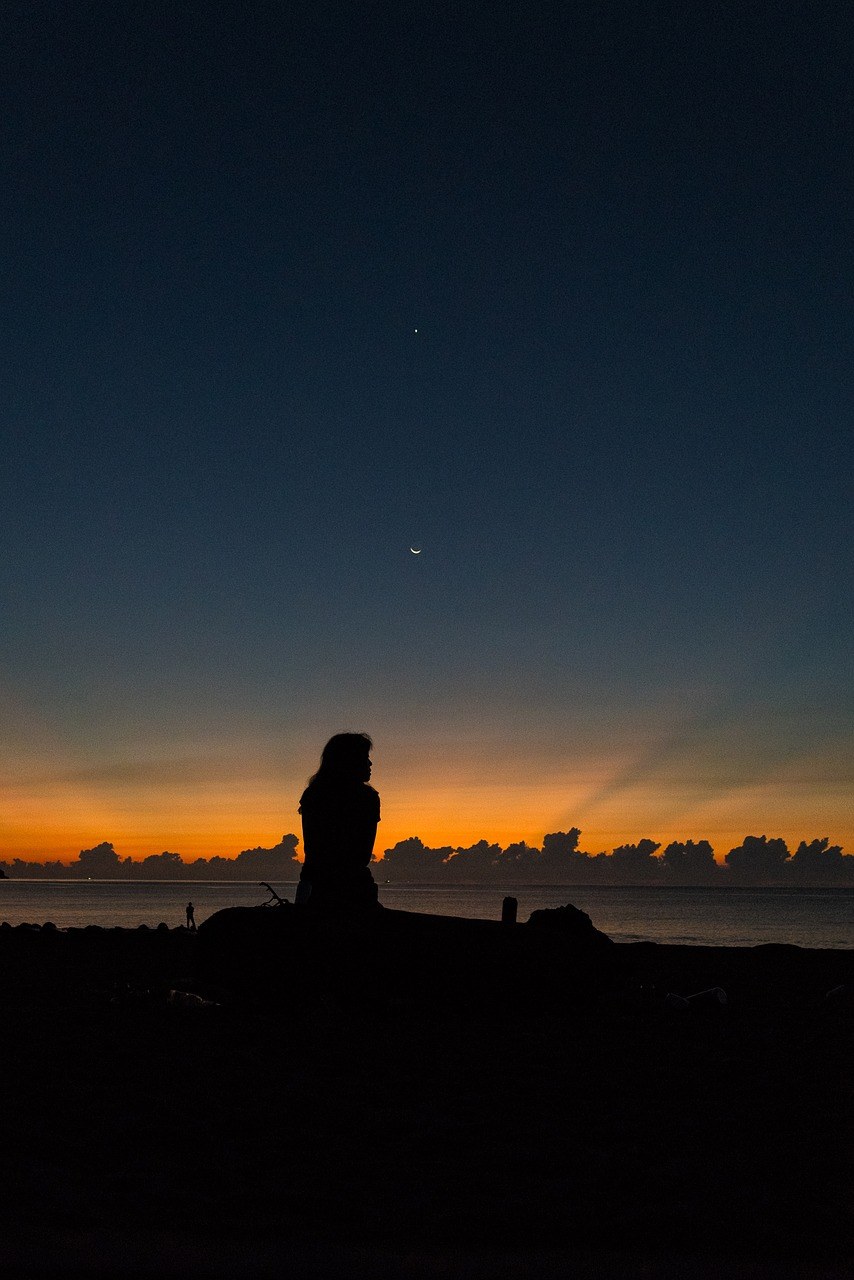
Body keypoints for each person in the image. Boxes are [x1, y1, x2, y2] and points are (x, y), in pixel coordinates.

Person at [297, 732, 380, 911]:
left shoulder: (313, 794)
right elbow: (362, 856)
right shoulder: (367, 798)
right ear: (352, 761)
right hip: (353, 891)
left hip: (314, 886)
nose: (370, 763)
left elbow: (313, 850)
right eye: (365, 757)